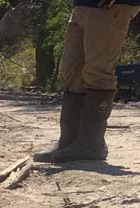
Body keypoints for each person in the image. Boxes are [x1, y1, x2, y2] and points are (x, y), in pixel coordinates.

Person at [35, 0, 139, 163]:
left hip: (110, 7)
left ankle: (91, 143)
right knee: (72, 71)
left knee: (98, 71)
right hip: (83, 6)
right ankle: (69, 140)